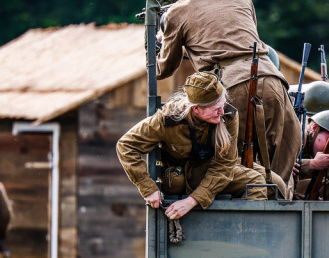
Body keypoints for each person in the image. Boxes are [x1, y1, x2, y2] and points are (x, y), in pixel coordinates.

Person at [156, 0, 301, 192]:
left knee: (234, 161)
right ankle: (283, 203)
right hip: (270, 75)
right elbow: (244, 34)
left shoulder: (176, 12)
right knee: (284, 151)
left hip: (232, 86)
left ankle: (252, 211)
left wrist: (161, 43)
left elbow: (164, 69)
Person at [117, 71, 282, 220]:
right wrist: (148, 188)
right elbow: (126, 146)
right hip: (181, 175)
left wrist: (192, 201)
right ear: (196, 109)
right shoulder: (167, 119)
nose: (221, 112)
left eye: (222, 105)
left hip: (213, 169)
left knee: (274, 183)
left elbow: (225, 164)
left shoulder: (228, 115)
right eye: (215, 109)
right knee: (256, 182)